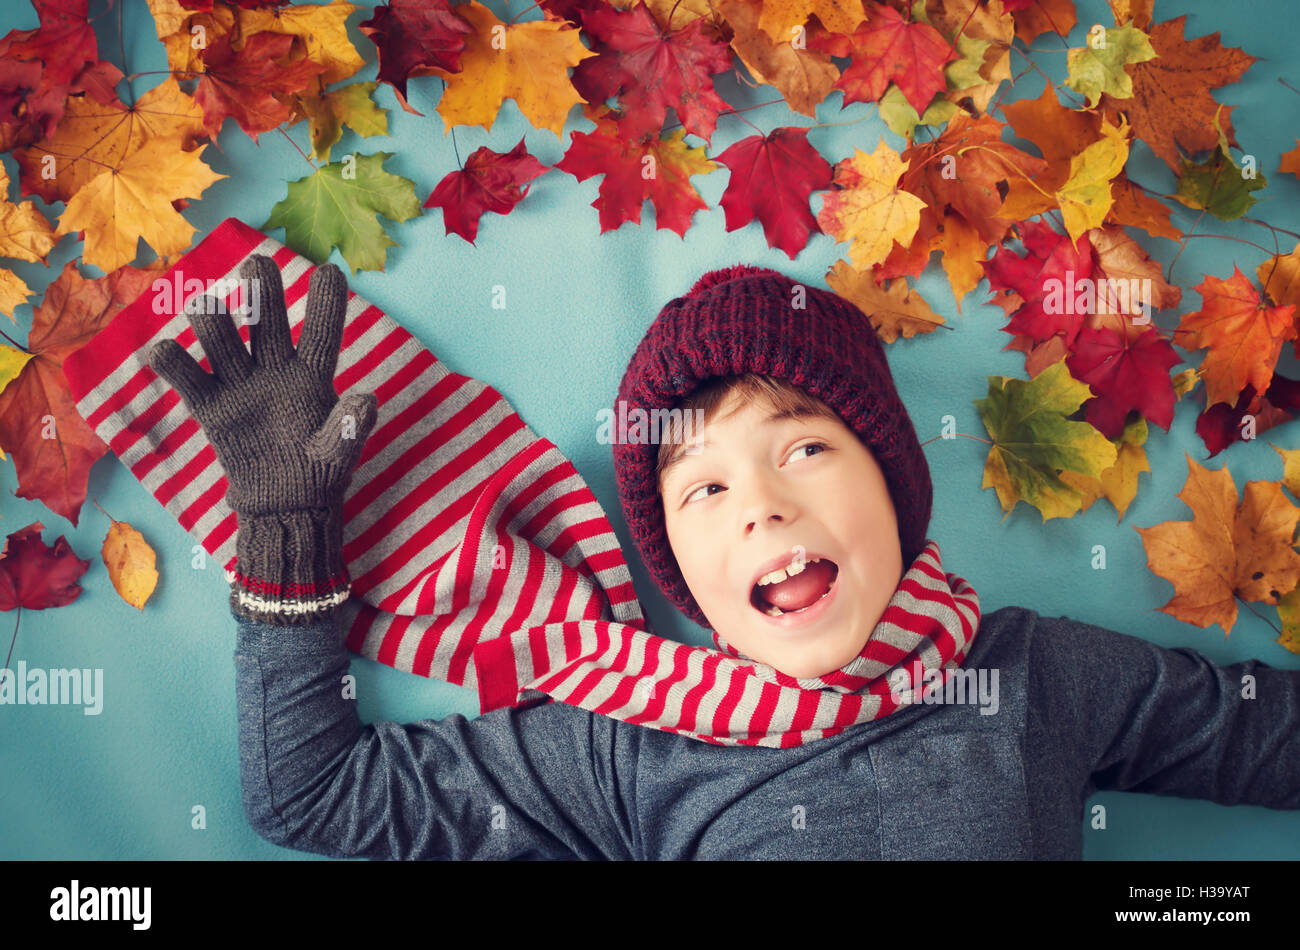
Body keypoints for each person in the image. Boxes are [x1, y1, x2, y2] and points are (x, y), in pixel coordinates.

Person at [148, 256, 1300, 860]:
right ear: (682, 570)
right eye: (701, 486)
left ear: (897, 492)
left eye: (804, 445)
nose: (758, 505)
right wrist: (290, 533)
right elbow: (311, 795)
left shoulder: (1036, 678)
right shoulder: (622, 739)